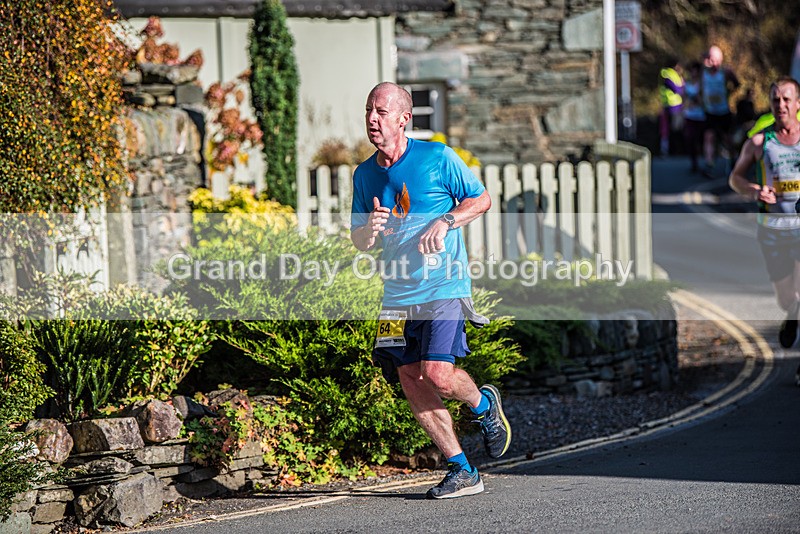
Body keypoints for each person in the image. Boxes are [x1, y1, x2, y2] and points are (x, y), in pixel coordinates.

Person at [349, 82, 511, 499]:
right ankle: (462, 468)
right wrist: (371, 229)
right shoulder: (364, 174)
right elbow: (358, 239)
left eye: (381, 111)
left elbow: (481, 199)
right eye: (369, 110)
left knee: (436, 374)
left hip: (442, 284)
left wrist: (446, 221)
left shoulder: (437, 157)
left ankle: (482, 405)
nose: (372, 119)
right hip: (396, 294)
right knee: (408, 376)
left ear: (404, 118)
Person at [728, 76, 800, 349]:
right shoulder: (759, 142)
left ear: (797, 104)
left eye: (786, 100)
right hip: (773, 230)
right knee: (786, 298)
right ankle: (791, 313)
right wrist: (755, 190)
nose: (780, 105)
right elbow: (735, 179)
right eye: (775, 100)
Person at [702, 45, 740, 177]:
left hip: (723, 111)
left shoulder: (725, 72)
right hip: (710, 111)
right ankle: (709, 165)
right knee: (709, 137)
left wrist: (729, 93)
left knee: (727, 138)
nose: (711, 62)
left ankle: (732, 161)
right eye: (709, 59)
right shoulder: (704, 72)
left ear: (720, 59)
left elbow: (737, 84)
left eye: (713, 59)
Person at [683, 61, 706, 173]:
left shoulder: (702, 84)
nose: (693, 73)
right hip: (690, 115)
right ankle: (694, 163)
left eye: (695, 71)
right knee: (690, 139)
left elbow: (704, 99)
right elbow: (684, 99)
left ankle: (706, 162)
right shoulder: (686, 84)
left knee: (700, 140)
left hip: (701, 116)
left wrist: (698, 99)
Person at [658, 58, 685, 156]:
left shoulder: (675, 75)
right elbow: (676, 88)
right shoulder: (666, 73)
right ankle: (672, 151)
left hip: (678, 106)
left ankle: (678, 150)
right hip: (671, 106)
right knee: (671, 129)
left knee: (677, 129)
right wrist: (682, 87)